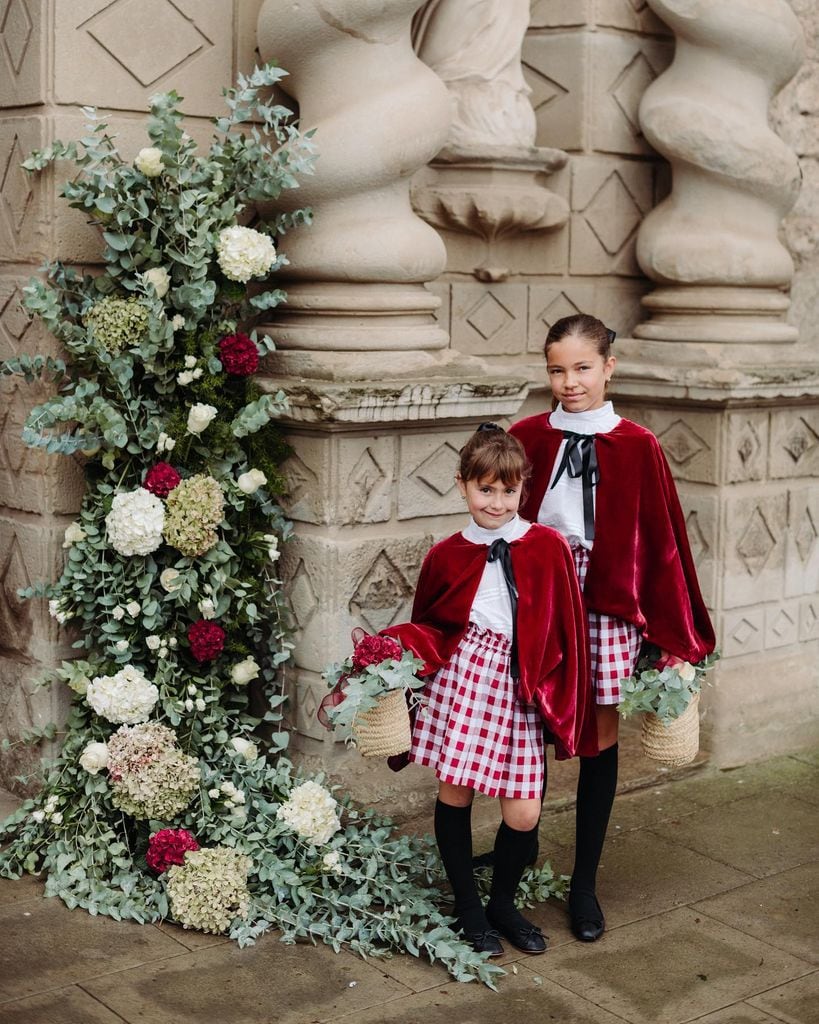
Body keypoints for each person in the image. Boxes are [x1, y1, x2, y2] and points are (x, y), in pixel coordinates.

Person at [509, 313, 716, 944]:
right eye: (556, 369)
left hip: (606, 604)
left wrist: (677, 639)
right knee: (527, 723)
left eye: (582, 368)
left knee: (599, 735)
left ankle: (584, 884)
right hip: (541, 596)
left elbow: (662, 542)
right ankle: (516, 866)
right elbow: (498, 524)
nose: (569, 382)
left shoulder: (638, 444)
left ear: (608, 368)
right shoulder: (527, 436)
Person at [382, 424, 597, 958]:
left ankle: (502, 902)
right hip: (465, 680)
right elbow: (430, 623)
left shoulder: (547, 547)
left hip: (522, 684)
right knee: (455, 792)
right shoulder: (446, 554)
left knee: (523, 811)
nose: (497, 502)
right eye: (485, 490)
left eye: (508, 491)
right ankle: (468, 907)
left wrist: (562, 696)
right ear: (462, 486)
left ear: (524, 488)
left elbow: (565, 623)